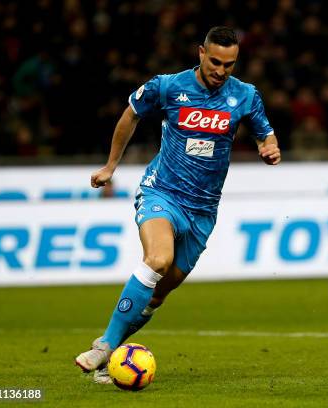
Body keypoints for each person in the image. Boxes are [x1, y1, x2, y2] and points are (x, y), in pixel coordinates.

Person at [75, 27, 281, 383]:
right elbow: (130, 115)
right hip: (163, 193)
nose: (221, 70)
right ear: (201, 52)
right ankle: (105, 345)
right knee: (157, 259)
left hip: (203, 211)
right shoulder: (168, 86)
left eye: (229, 65)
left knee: (159, 294)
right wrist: (110, 166)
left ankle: (112, 357)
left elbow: (266, 132)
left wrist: (269, 147)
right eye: (215, 61)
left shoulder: (245, 95)